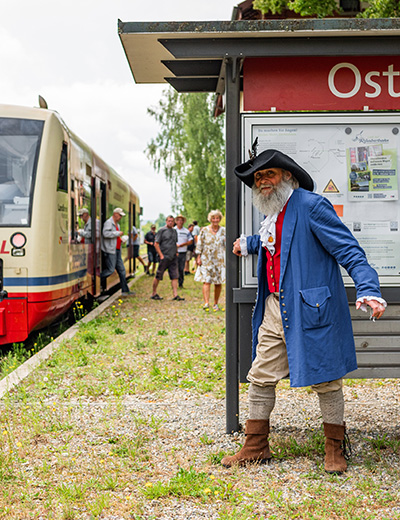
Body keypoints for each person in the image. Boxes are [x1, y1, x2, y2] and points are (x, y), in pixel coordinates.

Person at [221, 149, 386, 473]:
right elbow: (278, 242)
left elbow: (349, 251)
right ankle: (256, 445)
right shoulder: (272, 214)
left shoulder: (312, 206)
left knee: (326, 379)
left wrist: (368, 288)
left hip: (312, 310)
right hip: (274, 307)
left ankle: (334, 448)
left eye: (268, 174)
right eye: (257, 178)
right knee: (261, 375)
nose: (262, 182)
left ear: (288, 177)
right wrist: (249, 244)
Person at [194, 209, 225, 311]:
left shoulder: (224, 230)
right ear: (210, 219)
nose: (215, 220)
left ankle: (215, 303)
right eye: (213, 218)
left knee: (218, 282)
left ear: (219, 219)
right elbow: (200, 244)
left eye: (217, 218)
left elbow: (226, 245)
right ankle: (206, 303)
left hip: (219, 260)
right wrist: (198, 257)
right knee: (206, 281)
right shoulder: (204, 230)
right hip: (206, 259)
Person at [151, 215, 184, 301]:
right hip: (164, 257)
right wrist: (161, 255)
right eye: (169, 221)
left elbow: (174, 243)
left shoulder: (174, 231)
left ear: (174, 222)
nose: (170, 222)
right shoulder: (162, 231)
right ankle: (154, 293)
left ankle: (175, 294)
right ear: (166, 221)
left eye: (172, 221)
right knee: (158, 275)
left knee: (175, 276)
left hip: (173, 257)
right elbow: (156, 244)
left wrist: (176, 252)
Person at [101, 208, 133, 296]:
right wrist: (117, 234)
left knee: (122, 270)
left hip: (117, 249)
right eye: (120, 215)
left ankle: (125, 290)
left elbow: (115, 236)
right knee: (111, 270)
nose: (120, 217)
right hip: (110, 250)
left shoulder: (117, 225)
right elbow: (105, 233)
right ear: (115, 214)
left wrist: (121, 239)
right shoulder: (108, 223)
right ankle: (98, 279)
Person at [175, 214, 193, 289]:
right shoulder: (173, 230)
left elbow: (191, 241)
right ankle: (174, 283)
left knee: (181, 268)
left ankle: (180, 283)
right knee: (174, 268)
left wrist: (183, 244)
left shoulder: (186, 231)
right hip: (174, 252)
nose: (180, 222)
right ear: (176, 221)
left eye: (181, 220)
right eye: (179, 220)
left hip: (183, 251)